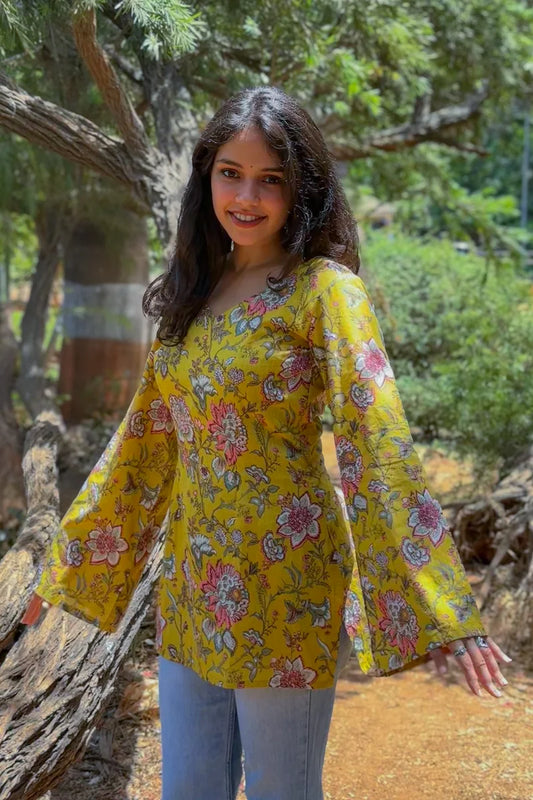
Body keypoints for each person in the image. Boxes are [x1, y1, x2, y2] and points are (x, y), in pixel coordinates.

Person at [23, 86, 511, 800]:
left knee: (281, 791)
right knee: (189, 789)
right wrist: (65, 569)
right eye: (230, 172)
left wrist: (442, 606)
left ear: (301, 188)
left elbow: (376, 440)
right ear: (206, 176)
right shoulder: (193, 294)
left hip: (287, 583)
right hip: (191, 584)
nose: (246, 196)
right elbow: (141, 447)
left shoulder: (323, 291)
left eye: (270, 179)